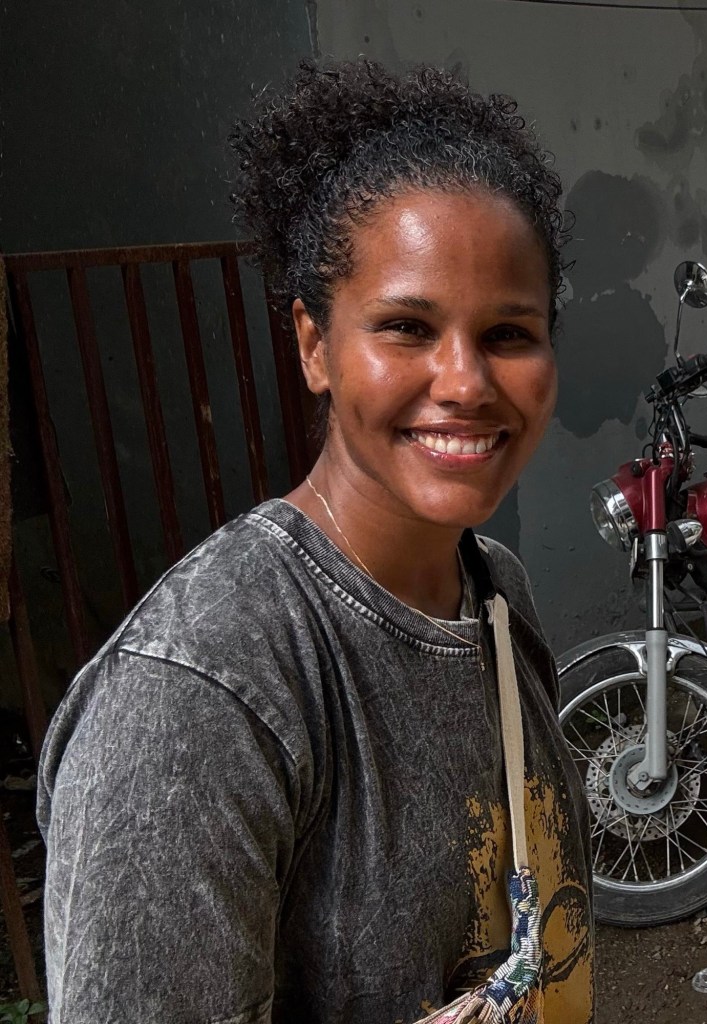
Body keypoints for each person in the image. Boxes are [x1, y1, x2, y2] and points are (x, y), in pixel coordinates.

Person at [37, 59, 594, 1024]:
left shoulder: (495, 595)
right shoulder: (203, 688)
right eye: (406, 326)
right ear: (312, 345)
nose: (465, 382)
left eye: (508, 333)